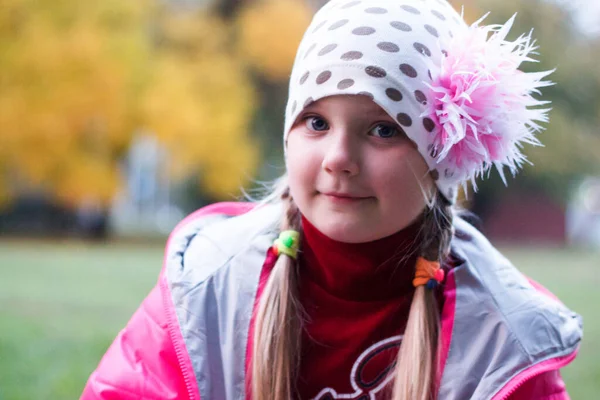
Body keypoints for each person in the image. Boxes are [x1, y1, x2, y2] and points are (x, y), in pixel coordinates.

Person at [81, 0, 582, 399]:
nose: (338, 157)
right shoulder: (209, 289)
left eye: (384, 129)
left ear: (441, 158)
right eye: (316, 122)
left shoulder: (499, 337)